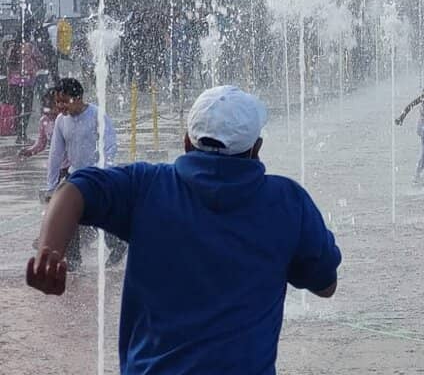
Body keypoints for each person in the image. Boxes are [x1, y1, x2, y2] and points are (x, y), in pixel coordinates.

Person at [26, 85, 341, 373]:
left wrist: (48, 251)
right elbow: (325, 285)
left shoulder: (146, 187)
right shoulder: (287, 202)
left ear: (187, 141)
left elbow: (74, 190)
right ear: (256, 148)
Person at [45, 77, 123, 270]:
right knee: (67, 215)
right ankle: (73, 260)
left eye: (64, 101)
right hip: (75, 175)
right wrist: (51, 185)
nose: (60, 107)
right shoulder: (61, 122)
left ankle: (117, 244)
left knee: (95, 213)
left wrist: (103, 170)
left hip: (97, 173)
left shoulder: (97, 115)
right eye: (57, 102)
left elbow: (110, 145)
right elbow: (55, 154)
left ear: (78, 98)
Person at [7, 28, 44, 144]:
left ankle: (19, 134)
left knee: (18, 109)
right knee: (27, 109)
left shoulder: (11, 48)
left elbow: (7, 65)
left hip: (13, 83)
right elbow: (41, 60)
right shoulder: (30, 47)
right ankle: (23, 135)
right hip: (27, 82)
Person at [19, 88, 58, 158]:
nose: (48, 109)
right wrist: (29, 151)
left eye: (52, 105)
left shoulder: (67, 119)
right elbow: (41, 143)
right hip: (57, 163)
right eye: (46, 106)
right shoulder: (45, 121)